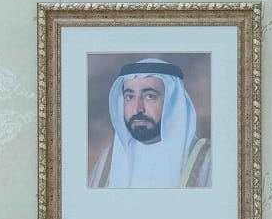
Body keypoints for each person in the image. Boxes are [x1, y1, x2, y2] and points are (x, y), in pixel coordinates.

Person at [87, 58, 212, 188]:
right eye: (129, 97)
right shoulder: (109, 159)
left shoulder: (206, 159)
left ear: (173, 103)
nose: (137, 109)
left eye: (150, 96)